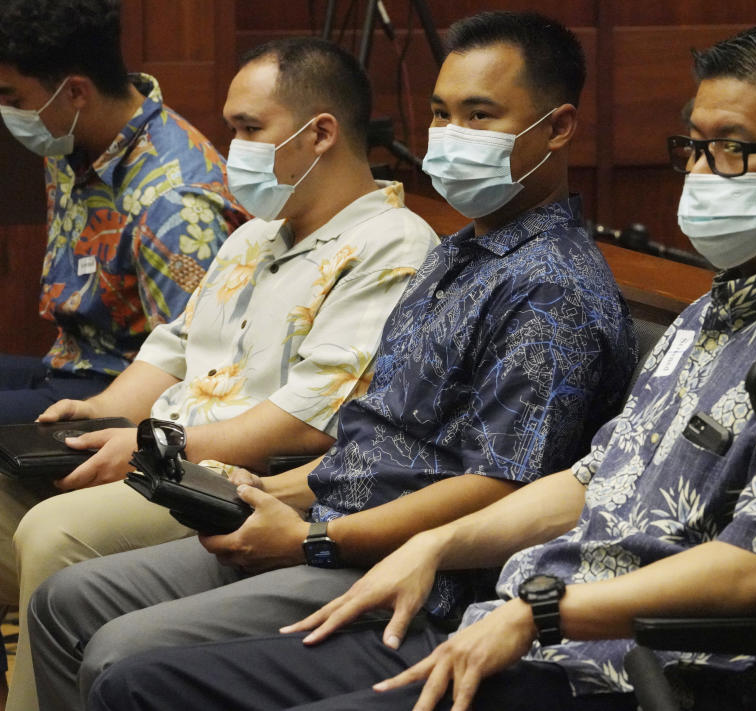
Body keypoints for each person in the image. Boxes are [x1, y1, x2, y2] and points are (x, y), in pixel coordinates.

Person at [78, 21, 756, 711]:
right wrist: (436, 542)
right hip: (520, 620)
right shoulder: (718, 306)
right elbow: (590, 477)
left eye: (731, 148)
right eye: (692, 146)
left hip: (625, 672)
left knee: (149, 671)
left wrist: (536, 611)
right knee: (141, 685)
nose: (701, 172)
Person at [28, 10, 638, 711]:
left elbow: (499, 487)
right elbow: (375, 443)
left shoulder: (551, 286)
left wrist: (312, 537)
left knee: (120, 653)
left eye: (480, 115)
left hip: (406, 570)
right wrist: (261, 499)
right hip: (322, 514)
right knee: (63, 600)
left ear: (558, 128)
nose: (449, 137)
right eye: (440, 114)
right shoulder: (458, 252)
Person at [1, 35, 440, 711]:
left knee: (51, 534)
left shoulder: (392, 245)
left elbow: (306, 416)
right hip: (160, 438)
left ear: (319, 133)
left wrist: (146, 445)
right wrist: (107, 413)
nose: (231, 149)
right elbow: (175, 344)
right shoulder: (257, 231)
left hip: (243, 476)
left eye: (248, 129)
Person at [0, 0, 246, 424]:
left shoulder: (177, 205)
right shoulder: (70, 137)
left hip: (123, 395)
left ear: (76, 92)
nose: (9, 113)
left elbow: (194, 370)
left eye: (13, 98)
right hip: (71, 361)